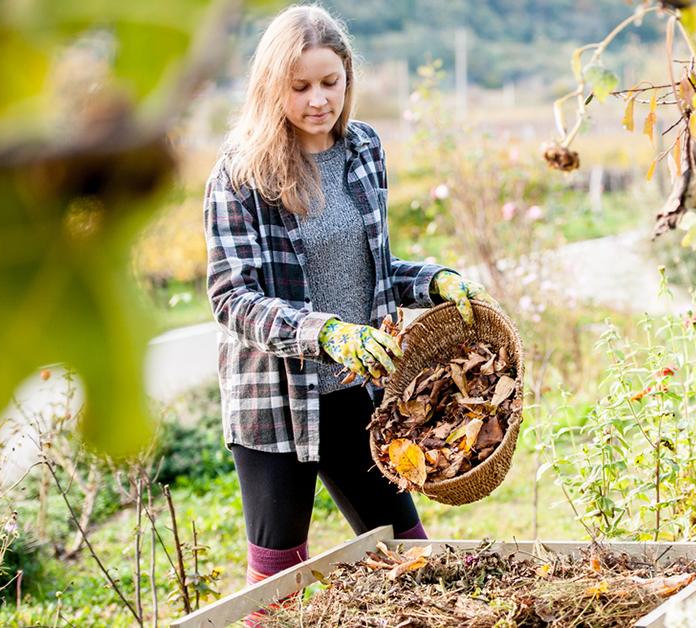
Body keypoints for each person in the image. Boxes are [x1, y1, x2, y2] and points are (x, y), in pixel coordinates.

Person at [202, 4, 495, 616]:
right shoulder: (240, 172)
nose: (318, 100)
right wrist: (325, 332)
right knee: (278, 582)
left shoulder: (363, 149)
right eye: (300, 86)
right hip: (277, 403)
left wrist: (434, 279)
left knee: (409, 554)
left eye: (330, 83)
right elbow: (232, 299)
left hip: (358, 393)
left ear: (348, 78)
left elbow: (372, 269)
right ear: (271, 86)